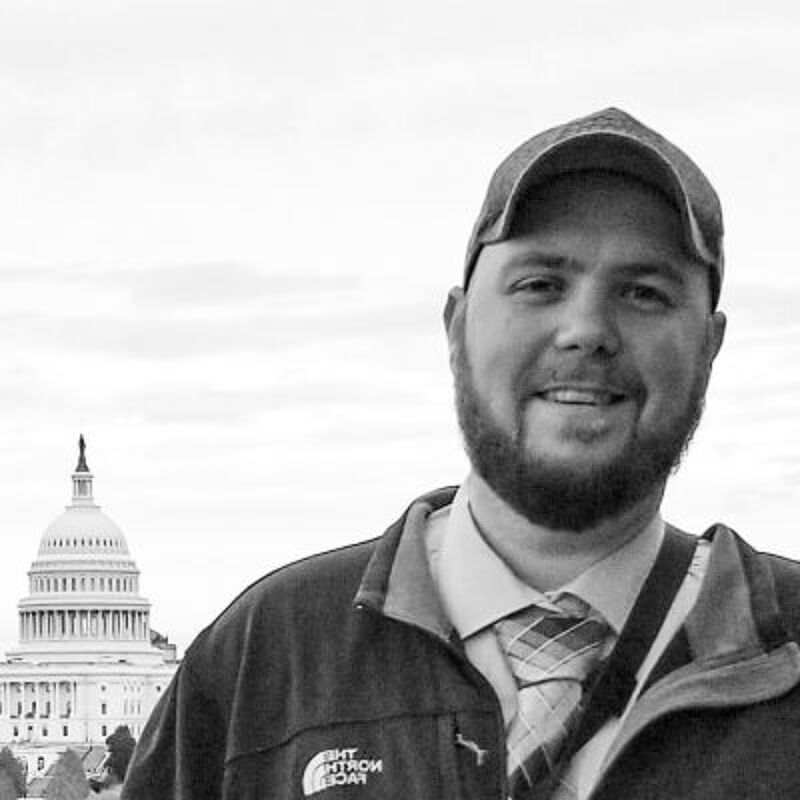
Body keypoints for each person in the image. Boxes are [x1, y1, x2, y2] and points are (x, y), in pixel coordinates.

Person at [122, 108, 800, 800]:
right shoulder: (264, 662)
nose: (586, 330)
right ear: (456, 328)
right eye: (541, 284)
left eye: (644, 293)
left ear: (710, 349)